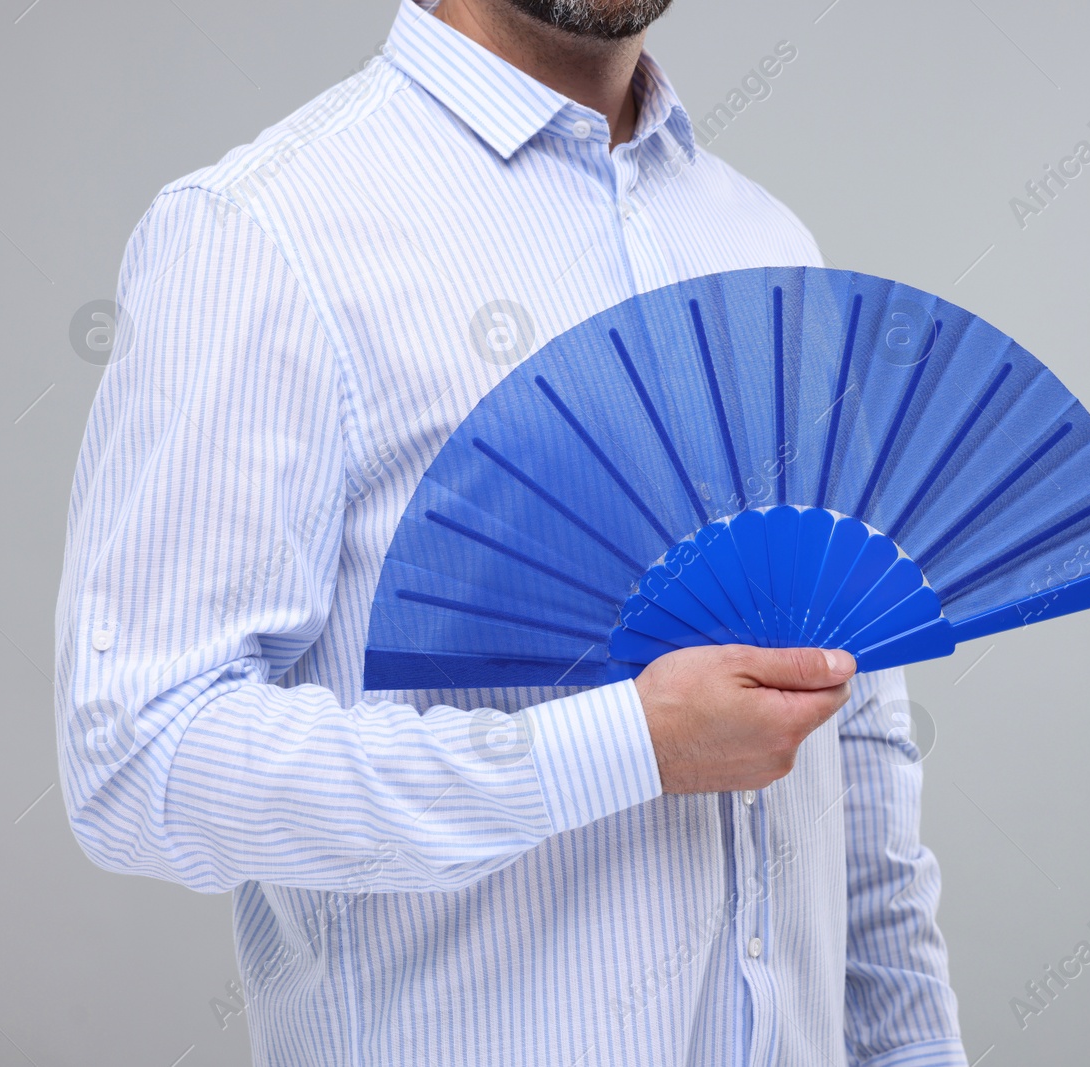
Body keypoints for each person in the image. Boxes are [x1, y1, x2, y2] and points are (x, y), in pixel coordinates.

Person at [54, 0, 966, 1063]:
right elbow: (140, 755)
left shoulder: (765, 243)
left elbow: (854, 741)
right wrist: (618, 748)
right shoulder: (266, 230)